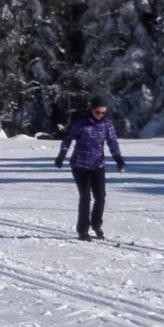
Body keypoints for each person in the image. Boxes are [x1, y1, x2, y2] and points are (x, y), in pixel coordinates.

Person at [55, 96, 126, 240]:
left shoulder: (107, 124)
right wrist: (61, 155)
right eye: (98, 112)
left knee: (100, 197)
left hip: (98, 164)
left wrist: (119, 160)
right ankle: (82, 230)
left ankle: (96, 224)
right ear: (92, 110)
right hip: (80, 165)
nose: (100, 115)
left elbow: (112, 142)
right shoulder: (81, 123)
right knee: (85, 198)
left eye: (103, 113)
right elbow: (67, 138)